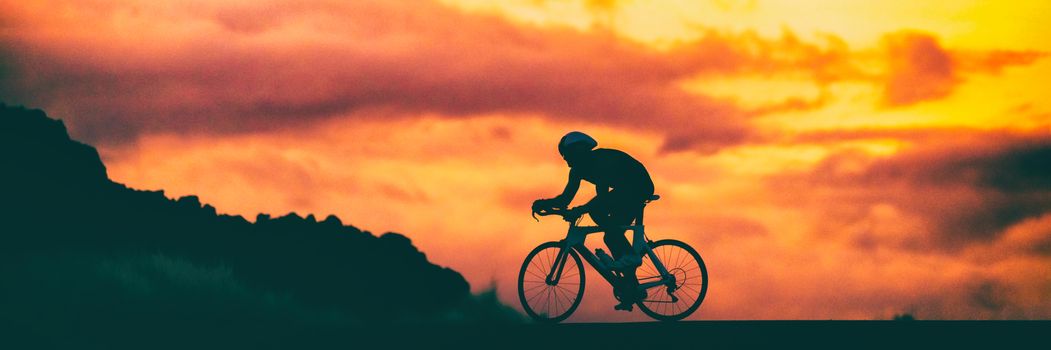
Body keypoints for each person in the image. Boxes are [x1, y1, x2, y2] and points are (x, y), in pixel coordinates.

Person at [532, 131, 655, 311]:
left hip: (638, 186)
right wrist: (544, 204)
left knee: (599, 216)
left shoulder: (601, 161)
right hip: (625, 190)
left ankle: (630, 257)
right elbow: (565, 199)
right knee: (611, 237)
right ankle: (631, 287)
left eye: (567, 155)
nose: (565, 159)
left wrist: (581, 209)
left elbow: (603, 197)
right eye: (563, 156)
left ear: (579, 150)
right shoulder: (577, 171)